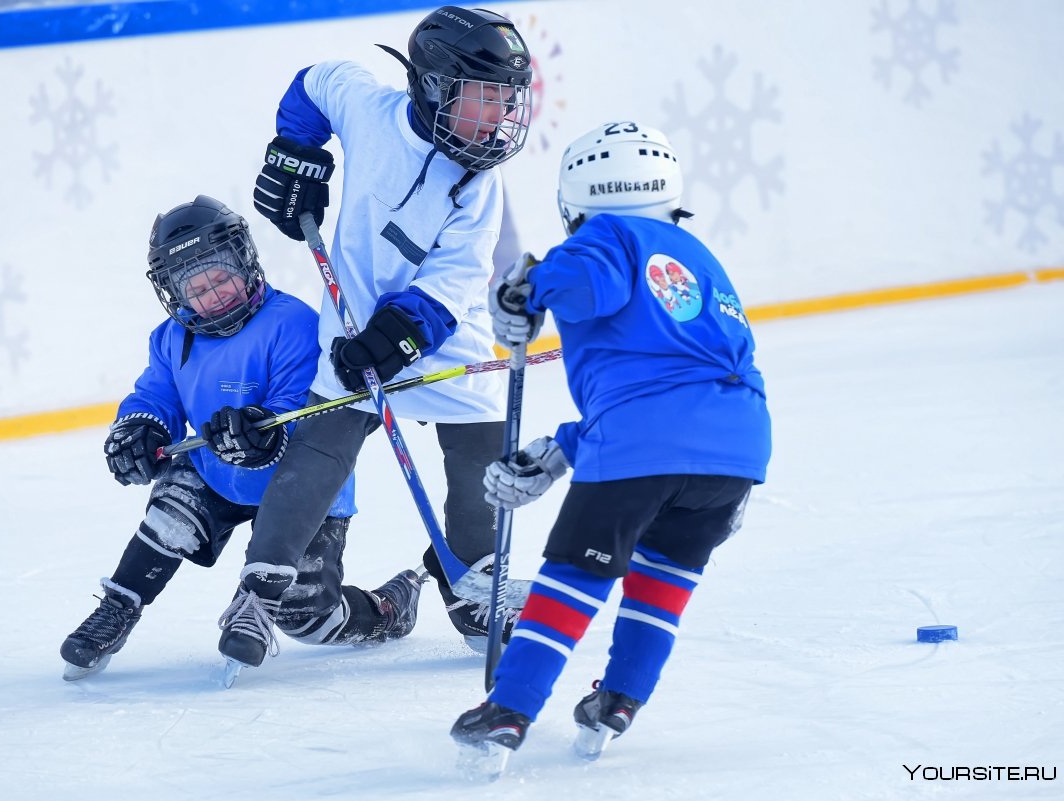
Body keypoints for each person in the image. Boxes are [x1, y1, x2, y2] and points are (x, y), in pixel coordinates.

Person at [449, 122, 773, 775]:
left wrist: (526, 288)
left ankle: (509, 709)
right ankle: (619, 700)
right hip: (737, 448)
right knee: (665, 578)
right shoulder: (699, 258)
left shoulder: (605, 234)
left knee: (576, 574)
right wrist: (566, 448)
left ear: (577, 202)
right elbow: (675, 383)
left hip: (642, 443)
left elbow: (587, 283)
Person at [215, 5, 536, 664]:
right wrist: (295, 154)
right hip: (350, 322)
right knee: (319, 447)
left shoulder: (479, 183)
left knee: (481, 453)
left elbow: (451, 282)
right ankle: (259, 587)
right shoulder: (368, 109)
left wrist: (395, 340)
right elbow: (313, 83)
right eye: (483, 99)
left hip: (444, 334)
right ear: (433, 86)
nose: (499, 118)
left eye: (507, 100)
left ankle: (473, 582)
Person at [58, 195, 424, 682]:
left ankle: (384, 610)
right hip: (216, 471)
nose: (214, 295)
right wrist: (142, 427)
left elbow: (303, 407)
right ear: (174, 294)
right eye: (198, 288)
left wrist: (266, 431)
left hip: (303, 487)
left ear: (245, 262)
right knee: (172, 511)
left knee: (306, 618)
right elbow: (156, 394)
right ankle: (118, 607)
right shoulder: (170, 338)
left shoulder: (292, 323)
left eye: (221, 277)